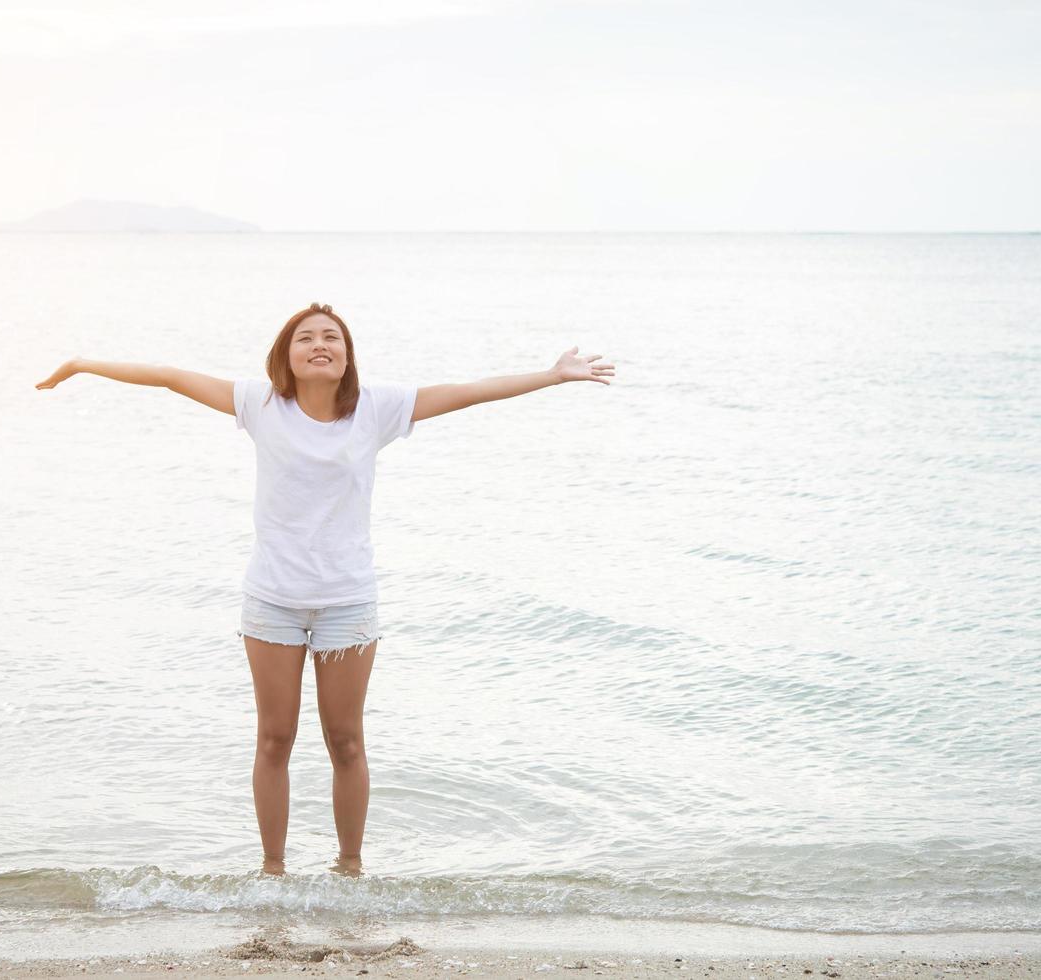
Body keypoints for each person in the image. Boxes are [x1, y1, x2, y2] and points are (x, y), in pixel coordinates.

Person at [34, 302, 615, 878]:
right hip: (272, 600)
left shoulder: (376, 409)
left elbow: (468, 392)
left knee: (347, 742)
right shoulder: (258, 405)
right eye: (306, 337)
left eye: (332, 337)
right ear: (285, 357)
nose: (320, 344)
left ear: (346, 356)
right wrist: (84, 363)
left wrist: (551, 375)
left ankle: (350, 868)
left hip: (348, 603)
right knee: (273, 739)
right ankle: (272, 871)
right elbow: (169, 377)